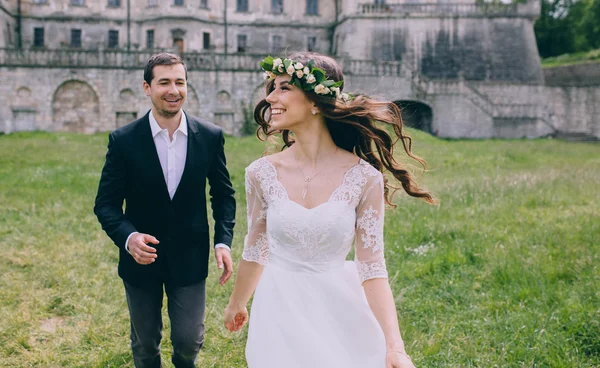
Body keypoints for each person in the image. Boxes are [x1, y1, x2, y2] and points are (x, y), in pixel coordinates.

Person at [223, 52, 436, 368]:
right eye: (271, 88)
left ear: (314, 100)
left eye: (283, 88)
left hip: (339, 309)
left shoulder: (365, 178)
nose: (270, 98)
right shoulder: (260, 172)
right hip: (278, 311)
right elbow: (255, 248)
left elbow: (372, 268)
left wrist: (395, 346)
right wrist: (237, 303)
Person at [94, 53, 236, 368]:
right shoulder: (123, 140)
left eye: (180, 82)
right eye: (164, 82)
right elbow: (105, 203)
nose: (174, 90)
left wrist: (223, 241)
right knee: (145, 346)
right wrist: (128, 238)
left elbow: (224, 195)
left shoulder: (210, 136)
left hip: (190, 257)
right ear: (147, 87)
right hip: (140, 260)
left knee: (188, 343)